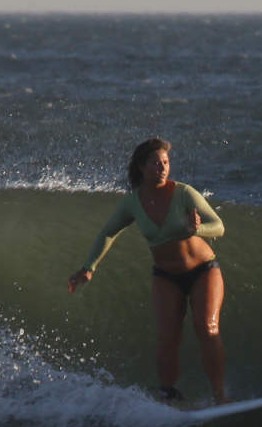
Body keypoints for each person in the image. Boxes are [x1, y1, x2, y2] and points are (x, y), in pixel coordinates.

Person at [68, 137, 229, 403]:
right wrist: (89, 268)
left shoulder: (184, 193)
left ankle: (220, 396)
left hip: (203, 269)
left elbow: (219, 226)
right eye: (156, 163)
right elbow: (109, 232)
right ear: (142, 167)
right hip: (166, 276)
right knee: (168, 337)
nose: (163, 168)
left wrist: (197, 229)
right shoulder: (133, 203)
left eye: (166, 162)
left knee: (207, 327)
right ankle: (169, 396)